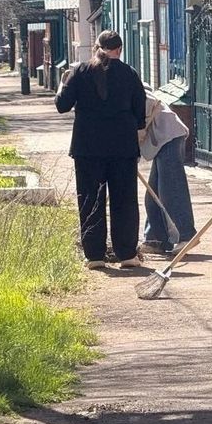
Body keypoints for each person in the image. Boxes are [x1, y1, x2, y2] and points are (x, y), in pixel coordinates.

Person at [56, 30, 147, 269]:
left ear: (97, 47)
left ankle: (95, 255)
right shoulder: (129, 74)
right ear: (120, 49)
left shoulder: (80, 71)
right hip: (123, 148)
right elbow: (140, 114)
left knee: (90, 200)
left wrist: (62, 84)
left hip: (88, 148)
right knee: (125, 201)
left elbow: (62, 105)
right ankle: (126, 254)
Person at [139, 90, 196, 253]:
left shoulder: (127, 85)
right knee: (154, 194)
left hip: (169, 136)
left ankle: (186, 235)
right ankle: (156, 239)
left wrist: (139, 127)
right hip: (161, 139)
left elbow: (150, 103)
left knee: (170, 189)